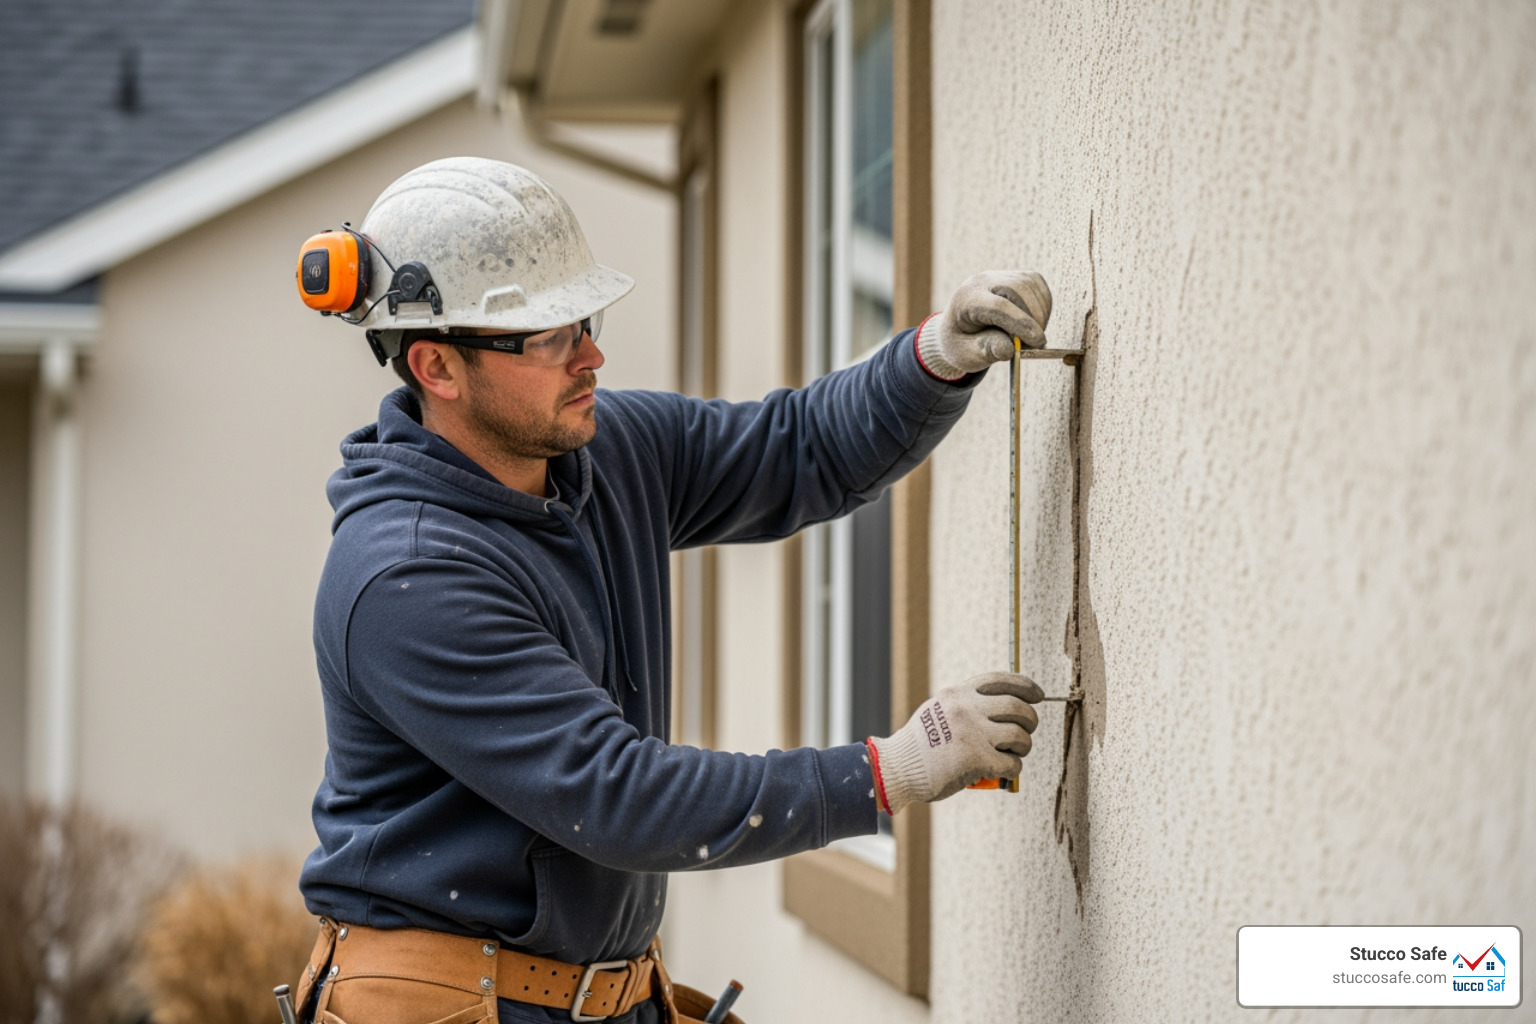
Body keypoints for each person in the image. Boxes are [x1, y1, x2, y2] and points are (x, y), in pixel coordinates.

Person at [291, 157, 1052, 1024]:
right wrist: (892, 769)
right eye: (549, 336)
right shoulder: (408, 578)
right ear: (437, 367)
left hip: (599, 996)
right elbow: (621, 796)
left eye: (586, 318)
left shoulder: (600, 454)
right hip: (446, 1005)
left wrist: (936, 356)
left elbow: (797, 448)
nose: (592, 355)